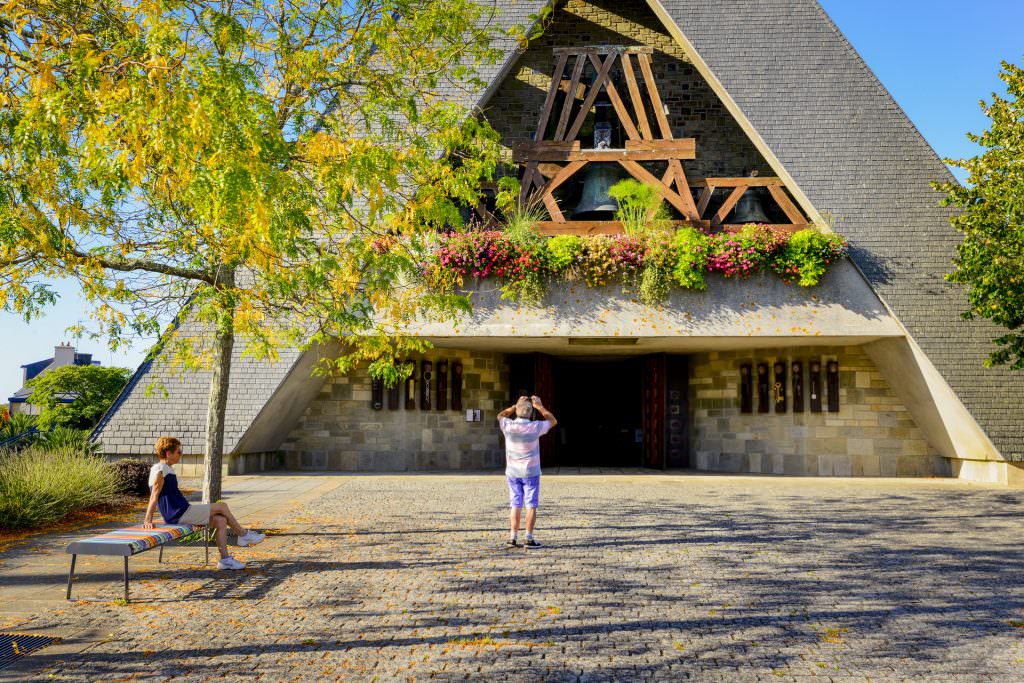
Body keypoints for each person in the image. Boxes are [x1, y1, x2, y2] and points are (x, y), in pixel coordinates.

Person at [144, 436, 265, 570]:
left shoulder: (166, 468)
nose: (181, 454)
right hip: (179, 514)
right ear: (168, 453)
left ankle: (225, 560)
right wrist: (147, 519)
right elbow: (154, 494)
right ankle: (243, 535)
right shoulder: (161, 469)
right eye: (179, 451)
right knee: (222, 506)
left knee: (220, 520)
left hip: (182, 511)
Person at [497, 395, 557, 549]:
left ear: (517, 411)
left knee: (515, 504)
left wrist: (514, 406)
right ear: (530, 413)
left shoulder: (508, 426)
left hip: (513, 472)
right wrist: (540, 406)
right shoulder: (535, 427)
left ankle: (513, 537)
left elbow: (500, 415)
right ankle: (529, 538)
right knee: (531, 504)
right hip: (531, 472)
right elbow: (553, 421)